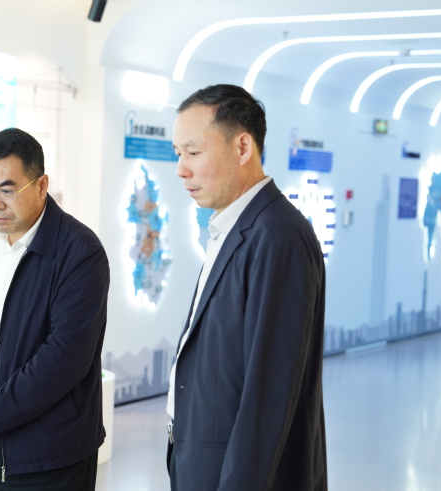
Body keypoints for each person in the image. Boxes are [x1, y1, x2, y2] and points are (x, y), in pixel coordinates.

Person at [166, 84, 328, 490]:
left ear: (242, 147)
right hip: (203, 463)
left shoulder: (277, 236)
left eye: (193, 152)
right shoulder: (234, 227)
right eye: (178, 154)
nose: (181, 169)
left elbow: (268, 393)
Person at [0, 128, 109, 490]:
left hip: (47, 452)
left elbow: (66, 356)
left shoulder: (80, 251)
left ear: (42, 185)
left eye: (7, 190)